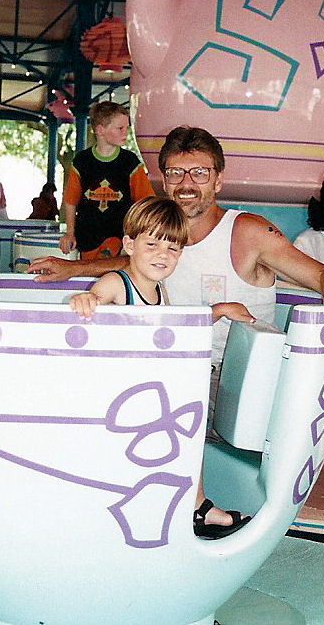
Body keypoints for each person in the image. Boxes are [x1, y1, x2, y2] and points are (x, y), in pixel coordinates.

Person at [27, 126, 324, 535]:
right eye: (175, 173)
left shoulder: (248, 231)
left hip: (231, 373)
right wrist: (73, 270)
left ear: (219, 179)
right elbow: (125, 265)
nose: (186, 184)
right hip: (181, 363)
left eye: (199, 173)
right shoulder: (163, 233)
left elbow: (318, 273)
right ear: (162, 178)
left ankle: (192, 505)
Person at [70, 195, 253, 539]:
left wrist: (221, 309)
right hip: (118, 393)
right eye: (152, 244)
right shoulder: (117, 283)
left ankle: (194, 504)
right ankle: (189, 505)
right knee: (183, 420)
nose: (162, 255)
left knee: (191, 421)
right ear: (129, 244)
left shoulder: (159, 292)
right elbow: (96, 298)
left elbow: (177, 325)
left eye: (172, 248)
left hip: (143, 388)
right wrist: (87, 300)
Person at [59, 101, 154, 259]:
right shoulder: (81, 162)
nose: (126, 133)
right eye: (120, 128)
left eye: (127, 128)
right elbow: (70, 201)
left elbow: (146, 203)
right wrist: (70, 233)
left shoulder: (130, 162)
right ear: (100, 130)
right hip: (87, 239)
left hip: (121, 241)